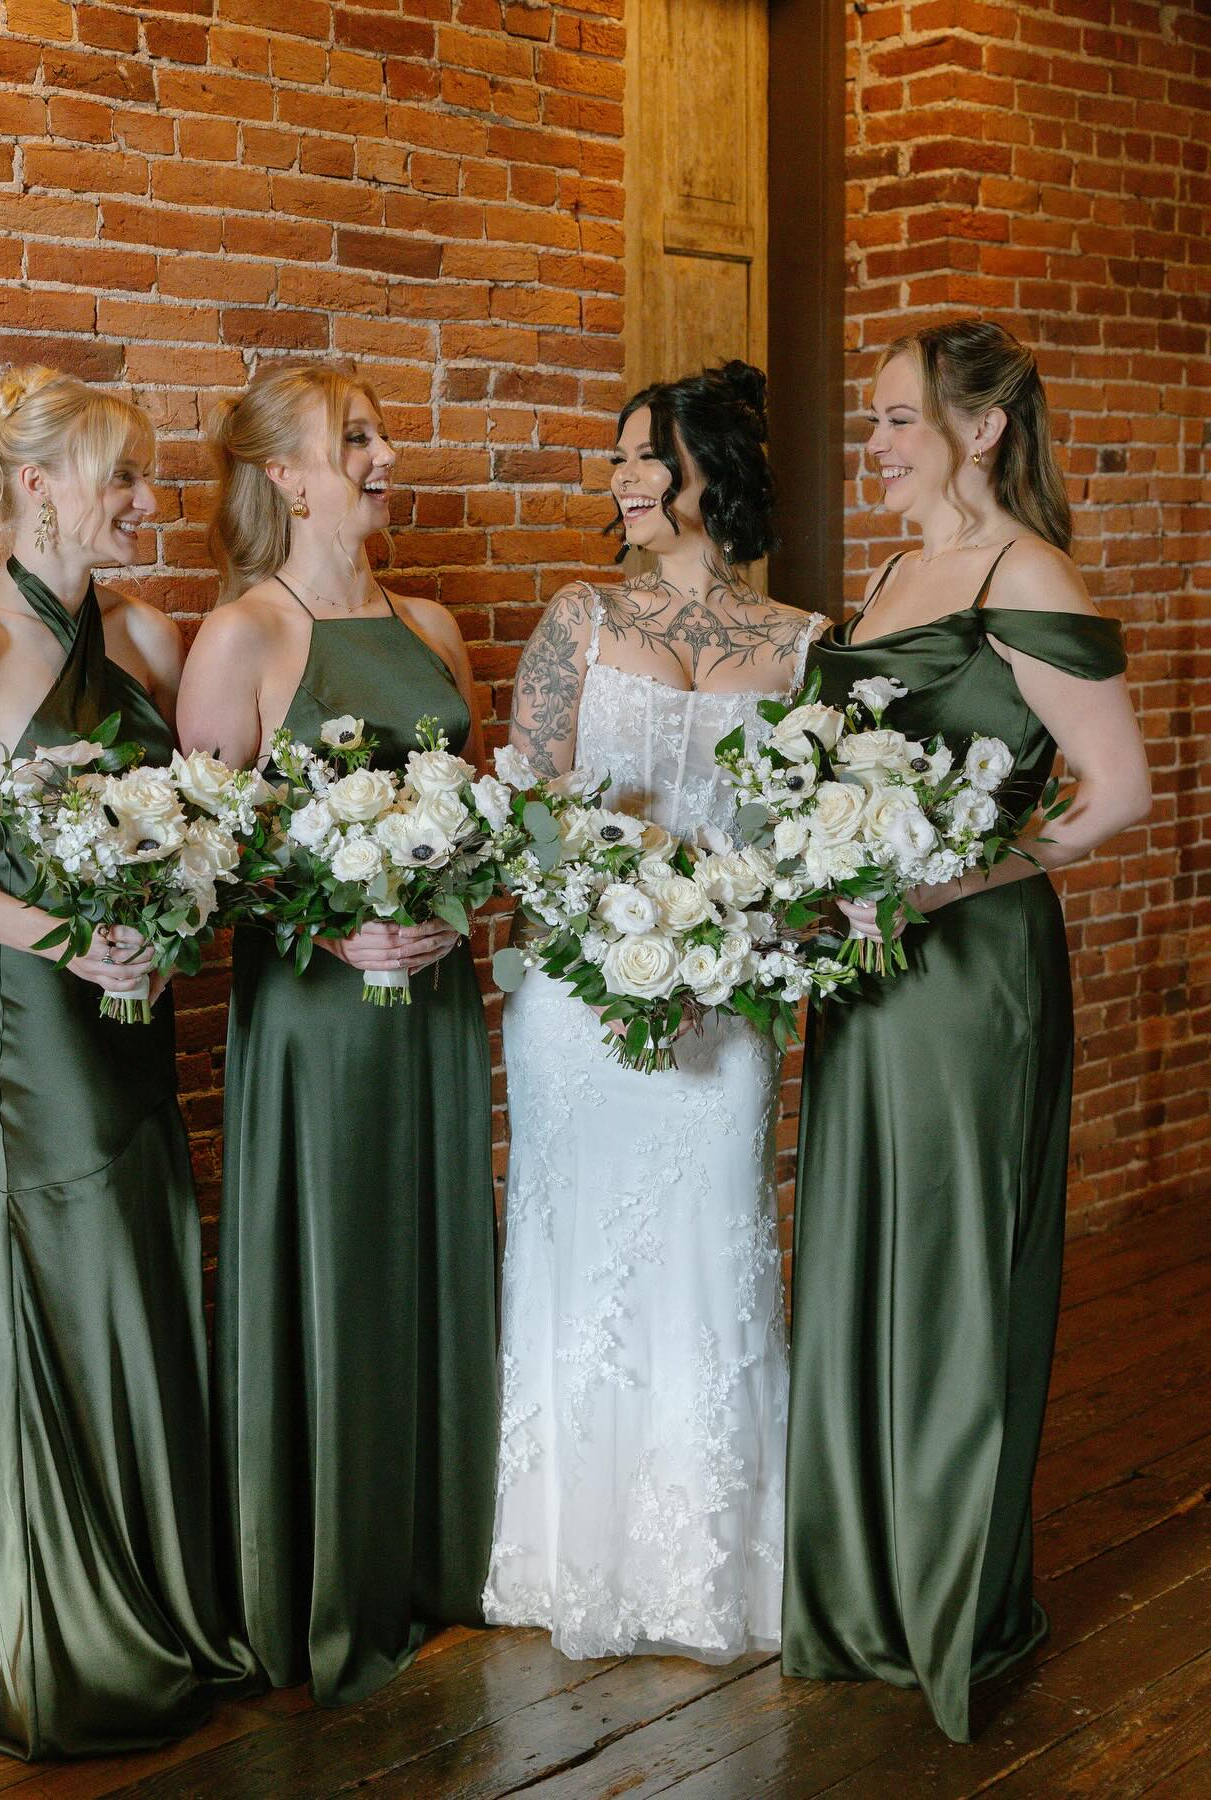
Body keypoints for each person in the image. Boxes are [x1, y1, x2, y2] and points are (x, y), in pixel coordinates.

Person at [0, 366, 256, 1759]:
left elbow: (209, 809)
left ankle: (159, 1595)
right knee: (72, 1283)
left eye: (149, 478)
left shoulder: (144, 634)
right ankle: (80, 1625)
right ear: (38, 487)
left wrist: (177, 903)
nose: (149, 503)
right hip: (36, 1020)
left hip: (133, 1007)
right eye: (124, 478)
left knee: (150, 1275)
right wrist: (63, 937)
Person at [781, 319, 1151, 1741]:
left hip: (968, 970)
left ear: (978, 429)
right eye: (871, 422)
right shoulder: (883, 578)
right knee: (865, 1242)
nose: (870, 444)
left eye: (890, 421)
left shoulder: (1026, 574)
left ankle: (950, 1591)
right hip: (868, 972)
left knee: (952, 1265)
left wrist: (962, 873)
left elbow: (1115, 791)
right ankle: (861, 1582)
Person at [483, 361, 826, 1660]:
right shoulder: (578, 620)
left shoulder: (804, 645)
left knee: (713, 1253)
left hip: (727, 1001)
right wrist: (617, 903)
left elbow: (806, 850)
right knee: (581, 1273)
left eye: (645, 457)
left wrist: (732, 925)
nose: (622, 479)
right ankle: (565, 1556)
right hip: (582, 999)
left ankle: (709, 1567)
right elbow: (526, 815)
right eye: (617, 458)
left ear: (712, 474)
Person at [177, 363, 497, 1707]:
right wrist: (334, 922)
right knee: (339, 1262)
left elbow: (482, 818)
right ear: (286, 477)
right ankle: (327, 1576)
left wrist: (456, 912)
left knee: (428, 1252)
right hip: (318, 1012)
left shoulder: (431, 624)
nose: (383, 454)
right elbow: (202, 859)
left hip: (429, 1004)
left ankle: (438, 1558)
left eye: (379, 433)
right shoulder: (246, 631)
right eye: (352, 438)